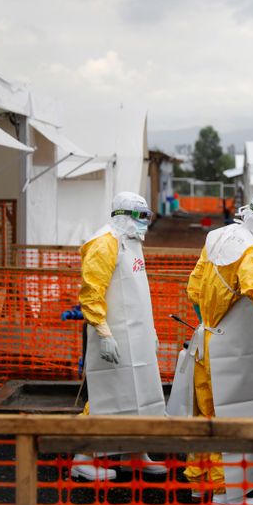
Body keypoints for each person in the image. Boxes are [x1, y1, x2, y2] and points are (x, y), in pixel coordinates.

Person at [166, 187, 253, 505]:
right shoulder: (251, 251)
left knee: (204, 415)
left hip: (205, 342)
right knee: (230, 416)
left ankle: (199, 483)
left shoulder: (217, 236)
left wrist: (208, 322)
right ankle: (226, 492)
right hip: (231, 353)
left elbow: (194, 288)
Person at [70, 192, 167, 481]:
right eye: (140, 218)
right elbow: (91, 292)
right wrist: (102, 332)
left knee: (140, 393)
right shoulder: (104, 243)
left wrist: (149, 331)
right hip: (113, 335)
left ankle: (135, 453)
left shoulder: (131, 242)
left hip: (136, 336)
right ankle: (82, 459)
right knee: (108, 397)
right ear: (123, 215)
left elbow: (136, 293)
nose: (144, 224)